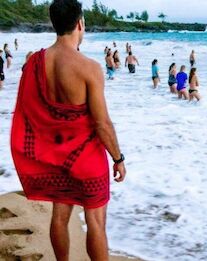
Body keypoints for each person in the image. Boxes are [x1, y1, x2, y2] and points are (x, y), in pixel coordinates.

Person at [10, 1, 126, 260]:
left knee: (60, 217)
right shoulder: (89, 68)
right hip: (87, 160)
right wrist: (118, 158)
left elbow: (31, 113)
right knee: (95, 222)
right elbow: (102, 123)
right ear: (80, 23)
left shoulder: (34, 62)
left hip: (55, 157)